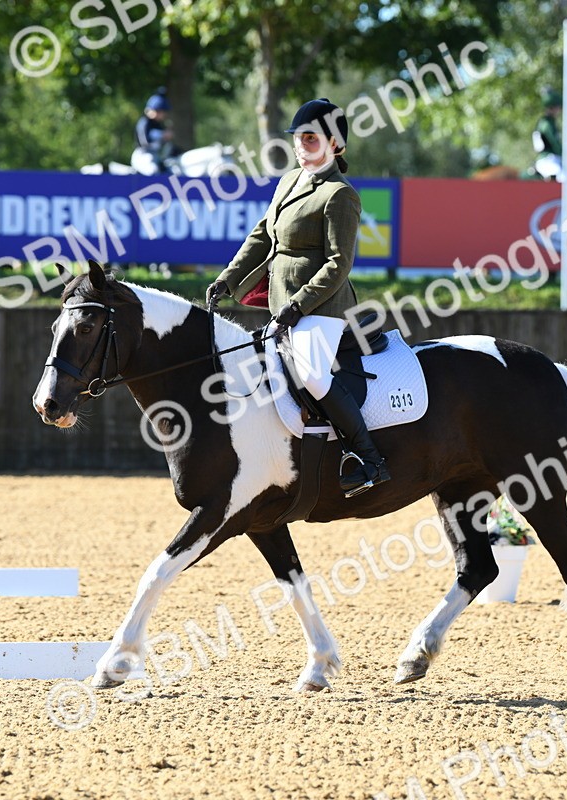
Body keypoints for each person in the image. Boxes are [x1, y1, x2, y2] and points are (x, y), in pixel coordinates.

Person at [206, 98, 390, 497]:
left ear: (335, 145)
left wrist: (298, 305)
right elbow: (261, 235)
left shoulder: (341, 195)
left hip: (322, 307)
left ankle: (369, 458)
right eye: (298, 138)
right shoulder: (290, 180)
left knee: (310, 374)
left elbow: (339, 265)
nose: (300, 145)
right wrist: (227, 278)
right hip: (281, 301)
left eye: (310, 138)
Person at [132, 88, 177, 175]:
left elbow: (164, 147)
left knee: (171, 172)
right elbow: (144, 142)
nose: (164, 115)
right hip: (142, 155)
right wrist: (161, 135)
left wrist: (166, 139)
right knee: (153, 171)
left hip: (156, 156)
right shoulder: (144, 123)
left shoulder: (160, 125)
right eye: (161, 112)